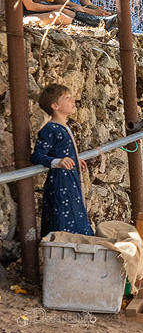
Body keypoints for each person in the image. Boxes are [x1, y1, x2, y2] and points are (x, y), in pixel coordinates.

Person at [30, 84, 94, 238]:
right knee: (63, 220)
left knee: (76, 217)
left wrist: (74, 159)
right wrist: (57, 162)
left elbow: (62, 151)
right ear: (55, 106)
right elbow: (36, 156)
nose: (73, 101)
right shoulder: (51, 129)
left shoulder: (64, 126)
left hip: (70, 182)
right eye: (67, 98)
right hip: (60, 184)